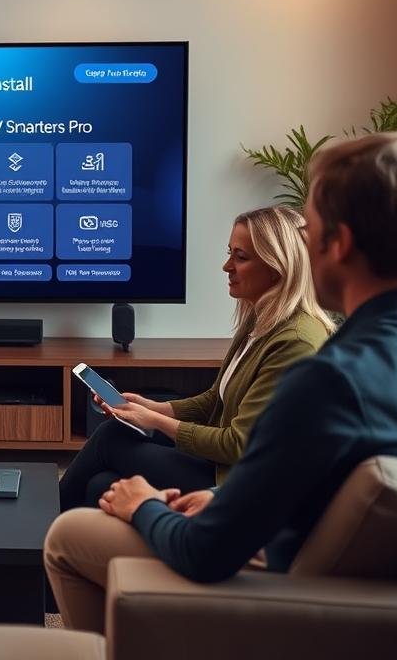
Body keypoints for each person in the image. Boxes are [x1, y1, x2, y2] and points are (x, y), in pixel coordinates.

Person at [44, 132, 397, 633]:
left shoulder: (325, 378)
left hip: (281, 582)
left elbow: (205, 551)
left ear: (337, 243)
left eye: (311, 229)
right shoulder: (372, 356)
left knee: (68, 535)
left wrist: (145, 505)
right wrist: (216, 496)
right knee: (107, 481)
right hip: (303, 543)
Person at [60, 206, 332, 511]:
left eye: (240, 257)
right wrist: (153, 407)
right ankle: (64, 543)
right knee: (101, 483)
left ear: (278, 266)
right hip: (216, 461)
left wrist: (156, 422)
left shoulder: (294, 341)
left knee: (111, 438)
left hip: (236, 480)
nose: (226, 266)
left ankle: (41, 530)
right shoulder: (261, 322)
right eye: (230, 253)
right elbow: (216, 400)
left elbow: (238, 444)